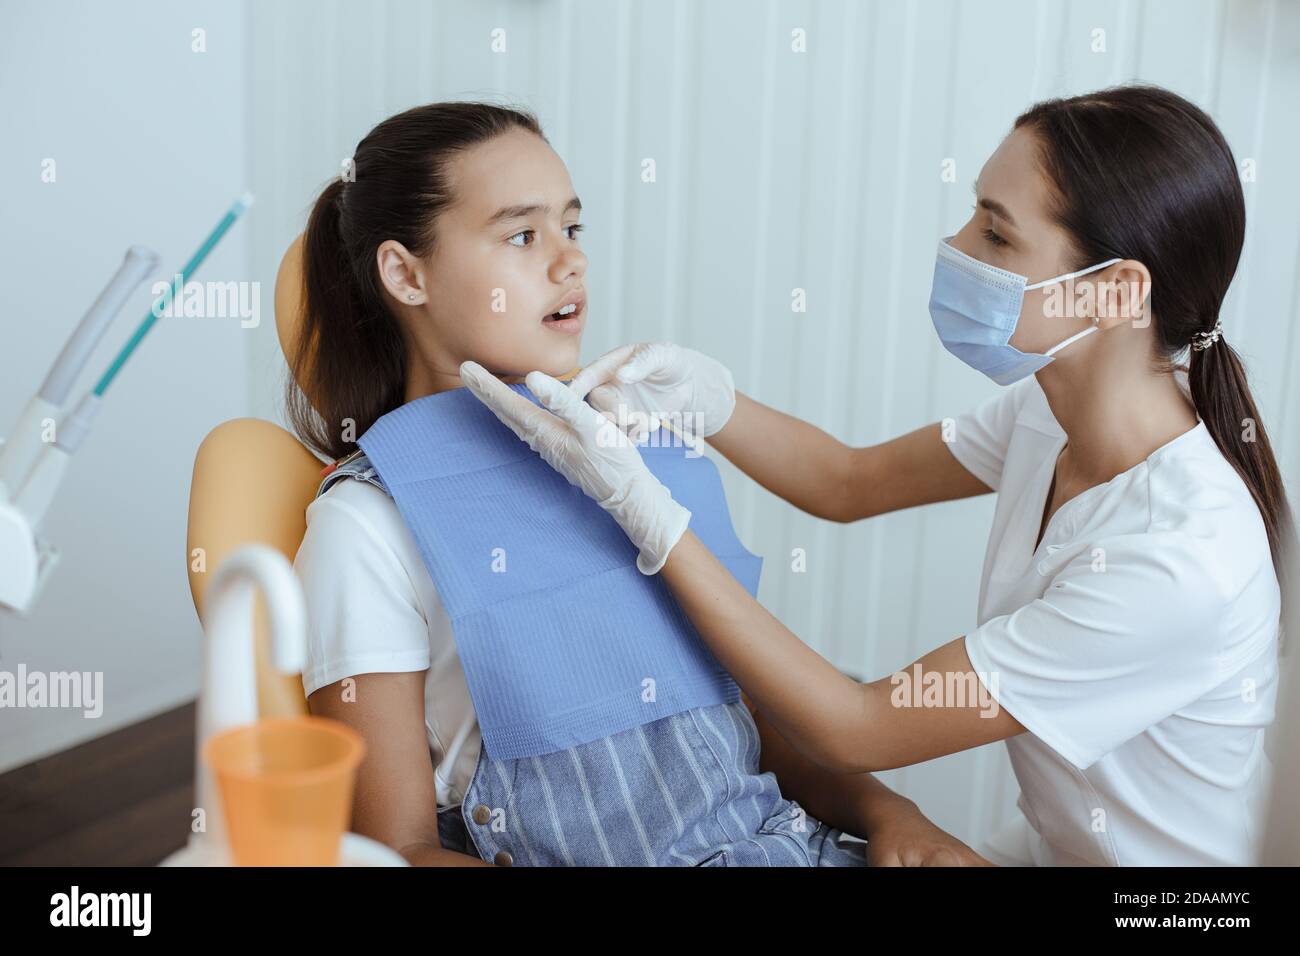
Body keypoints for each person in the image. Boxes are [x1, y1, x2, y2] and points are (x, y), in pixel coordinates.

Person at [462, 84, 1294, 866]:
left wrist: (645, 512)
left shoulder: (1181, 558)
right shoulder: (1056, 408)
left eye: (998, 235)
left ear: (1114, 294)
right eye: (974, 213)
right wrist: (710, 403)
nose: (960, 248)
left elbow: (854, 727)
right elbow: (847, 483)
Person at [288, 100, 980, 866]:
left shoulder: (627, 456)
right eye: (523, 235)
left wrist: (893, 814)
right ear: (405, 274)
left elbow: (747, 721)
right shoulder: (369, 525)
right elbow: (396, 851)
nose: (569, 261)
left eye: (572, 228)